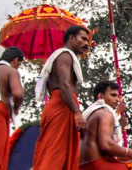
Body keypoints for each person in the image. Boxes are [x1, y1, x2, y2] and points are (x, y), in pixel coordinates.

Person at [33, 25, 91, 170]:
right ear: (72, 38)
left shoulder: (67, 57)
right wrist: (77, 112)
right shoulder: (64, 55)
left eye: (88, 41)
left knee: (64, 157)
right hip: (61, 107)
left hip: (64, 107)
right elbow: (64, 85)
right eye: (83, 39)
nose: (86, 43)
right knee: (53, 156)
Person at [78, 81, 132, 169]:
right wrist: (131, 153)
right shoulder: (105, 113)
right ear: (100, 96)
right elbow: (106, 145)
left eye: (118, 96)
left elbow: (100, 149)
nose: (117, 100)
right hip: (98, 166)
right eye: (113, 95)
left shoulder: (88, 116)